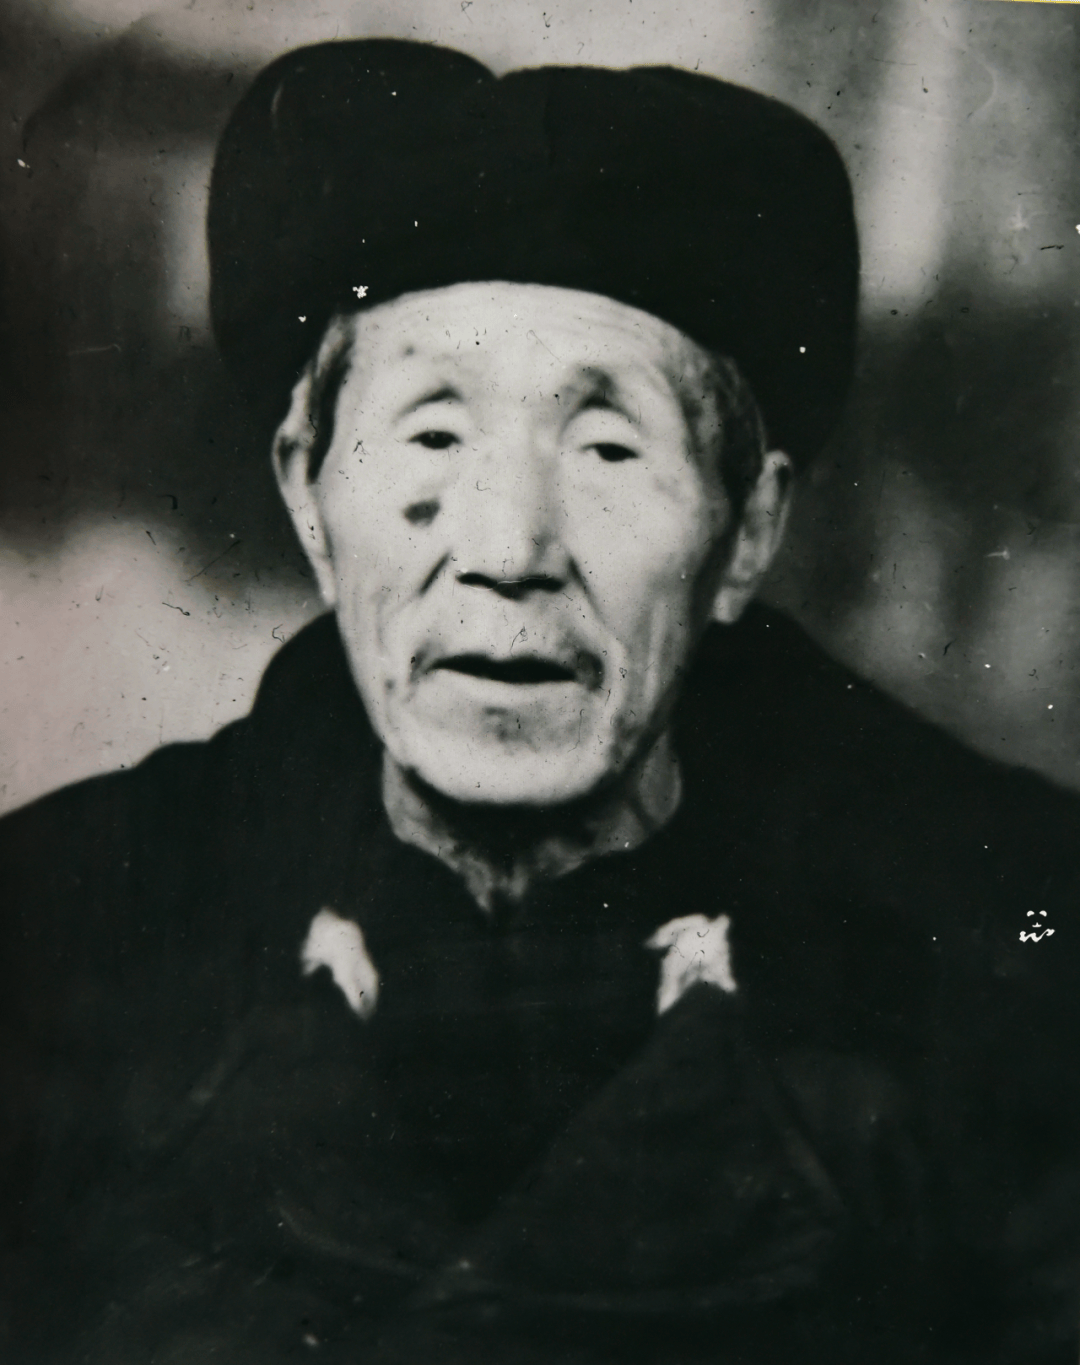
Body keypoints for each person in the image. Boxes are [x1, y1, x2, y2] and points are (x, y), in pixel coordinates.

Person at [2, 38, 1079, 1365]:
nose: (509, 546)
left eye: (608, 448)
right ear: (307, 494)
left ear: (748, 531)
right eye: (433, 434)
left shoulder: (1010, 993)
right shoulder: (56, 943)